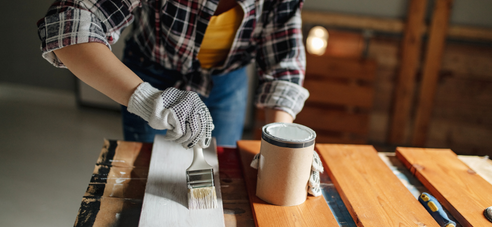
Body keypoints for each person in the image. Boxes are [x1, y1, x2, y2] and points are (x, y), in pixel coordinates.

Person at [37, 0, 309, 149]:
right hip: (150, 74)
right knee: (146, 175)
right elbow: (68, 24)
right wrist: (149, 99)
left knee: (220, 172)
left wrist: (283, 145)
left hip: (227, 82)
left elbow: (284, 64)